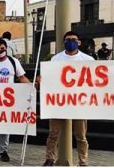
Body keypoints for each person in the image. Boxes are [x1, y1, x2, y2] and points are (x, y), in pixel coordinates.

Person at [38, 31, 92, 166]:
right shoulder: (56, 59)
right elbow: (50, 77)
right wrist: (41, 79)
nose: (71, 42)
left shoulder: (88, 60)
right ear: (64, 42)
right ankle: (49, 159)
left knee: (81, 136)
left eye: (74, 39)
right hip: (59, 101)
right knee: (53, 133)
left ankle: (83, 161)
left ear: (79, 42)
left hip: (80, 102)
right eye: (68, 40)